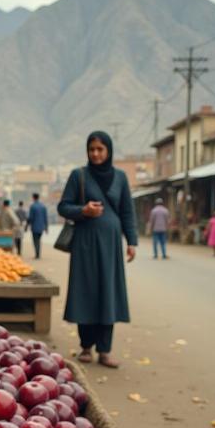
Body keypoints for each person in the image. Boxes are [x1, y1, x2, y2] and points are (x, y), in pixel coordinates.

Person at [57, 130, 137, 368]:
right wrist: (83, 211)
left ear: (109, 151)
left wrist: (131, 241)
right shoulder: (78, 175)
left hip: (111, 245)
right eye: (92, 149)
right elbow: (63, 206)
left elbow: (127, 212)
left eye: (100, 149)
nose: (96, 153)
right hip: (85, 244)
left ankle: (105, 350)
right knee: (86, 292)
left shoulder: (120, 177)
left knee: (108, 293)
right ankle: (85, 347)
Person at [27, 193, 49, 259]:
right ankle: (38, 254)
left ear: (33, 198)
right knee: (39, 240)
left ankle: (37, 254)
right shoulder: (43, 206)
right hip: (41, 227)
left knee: (35, 241)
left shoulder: (32, 206)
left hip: (34, 227)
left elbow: (31, 217)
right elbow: (45, 218)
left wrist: (27, 226)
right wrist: (46, 228)